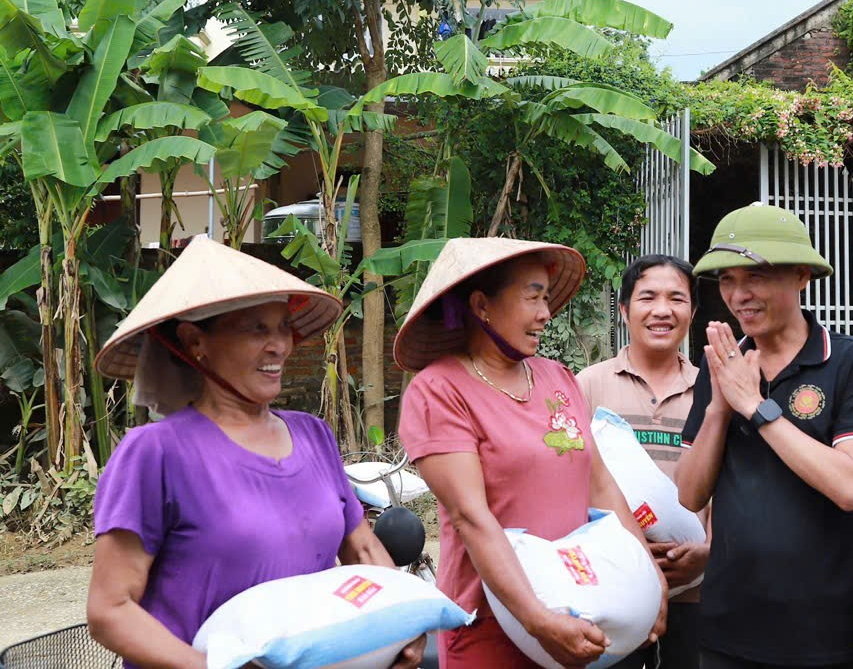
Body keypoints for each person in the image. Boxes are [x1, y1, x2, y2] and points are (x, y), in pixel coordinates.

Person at [86, 236, 424, 669]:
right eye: (256, 329)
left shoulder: (313, 436)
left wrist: (403, 620)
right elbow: (110, 610)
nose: (280, 345)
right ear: (194, 341)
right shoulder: (156, 454)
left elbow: (362, 550)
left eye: (283, 326)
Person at [395, 237, 667, 669]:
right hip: (491, 625)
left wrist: (650, 578)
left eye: (546, 297)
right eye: (533, 297)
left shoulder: (557, 377)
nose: (546, 313)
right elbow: (470, 516)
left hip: (583, 605)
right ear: (482, 305)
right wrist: (537, 620)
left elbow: (600, 486)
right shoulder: (439, 390)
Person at [676, 203, 853, 669]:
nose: (739, 295)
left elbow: (850, 486)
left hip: (827, 633)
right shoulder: (722, 366)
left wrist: (755, 407)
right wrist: (719, 406)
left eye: (754, 276)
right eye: (727, 280)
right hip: (727, 626)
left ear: (801, 277)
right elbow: (690, 494)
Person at [578, 254, 708, 669]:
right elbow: (569, 477)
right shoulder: (588, 385)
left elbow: (733, 479)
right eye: (647, 297)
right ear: (624, 309)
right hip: (612, 587)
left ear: (693, 311)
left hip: (693, 588)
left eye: (677, 299)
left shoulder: (714, 390)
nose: (662, 310)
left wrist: (709, 550)